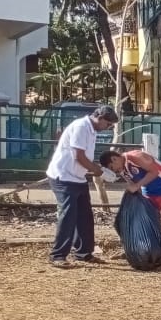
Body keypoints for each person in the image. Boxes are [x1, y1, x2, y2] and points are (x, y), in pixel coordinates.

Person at [44, 105, 119, 268]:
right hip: (63, 177)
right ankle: (58, 255)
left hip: (77, 177)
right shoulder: (81, 127)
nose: (108, 128)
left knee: (85, 216)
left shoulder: (91, 130)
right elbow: (78, 156)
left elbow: (84, 157)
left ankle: (84, 253)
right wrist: (97, 171)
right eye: (108, 124)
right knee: (68, 215)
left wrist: (96, 170)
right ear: (100, 118)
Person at [99, 149, 161, 259]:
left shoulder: (135, 157)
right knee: (151, 219)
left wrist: (137, 186)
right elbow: (132, 184)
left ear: (114, 159)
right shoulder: (121, 169)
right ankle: (143, 250)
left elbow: (154, 172)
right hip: (148, 189)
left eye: (111, 167)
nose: (114, 170)